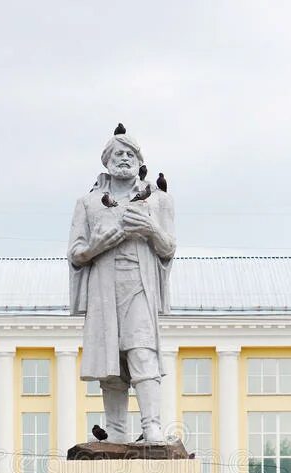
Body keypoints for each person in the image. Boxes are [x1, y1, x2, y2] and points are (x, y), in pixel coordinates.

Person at [68, 125, 176, 443]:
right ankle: (115, 430)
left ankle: (151, 426)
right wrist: (95, 247)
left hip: (139, 285)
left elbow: (168, 248)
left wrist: (151, 229)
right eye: (119, 153)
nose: (125, 158)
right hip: (104, 288)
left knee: (142, 352)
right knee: (109, 360)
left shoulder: (158, 202)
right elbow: (76, 253)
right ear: (107, 161)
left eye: (131, 153)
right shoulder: (88, 203)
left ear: (139, 159)